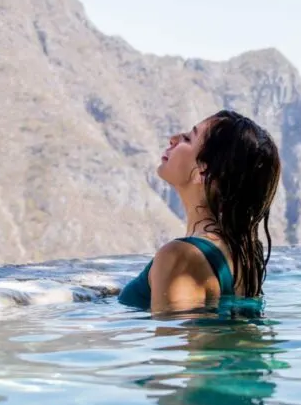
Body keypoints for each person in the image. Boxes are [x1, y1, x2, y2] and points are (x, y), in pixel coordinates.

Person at [118, 109, 281, 313]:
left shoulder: (180, 256)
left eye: (188, 138)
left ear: (203, 172)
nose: (173, 139)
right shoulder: (243, 255)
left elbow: (174, 339)